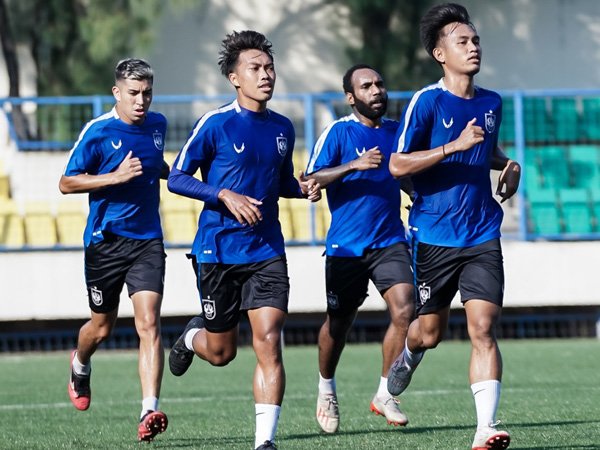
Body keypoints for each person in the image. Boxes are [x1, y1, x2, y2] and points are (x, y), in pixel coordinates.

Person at [166, 30, 320, 450]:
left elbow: (280, 181)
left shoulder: (283, 128)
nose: (266, 74)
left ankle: (264, 441)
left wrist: (301, 187)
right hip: (217, 250)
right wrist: (223, 194)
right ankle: (188, 337)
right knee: (221, 353)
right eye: (255, 68)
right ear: (235, 77)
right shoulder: (215, 124)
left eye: (269, 67)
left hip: (267, 249)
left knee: (269, 339)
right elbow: (176, 178)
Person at [386, 4, 520, 450]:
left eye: (475, 39)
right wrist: (451, 146)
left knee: (483, 327)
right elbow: (398, 163)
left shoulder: (492, 102)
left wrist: (508, 164)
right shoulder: (427, 102)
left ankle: (485, 428)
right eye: (462, 41)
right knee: (430, 333)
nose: (473, 46)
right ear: (440, 53)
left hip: (482, 233)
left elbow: (486, 150)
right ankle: (408, 354)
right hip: (434, 236)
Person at [59, 58, 170, 442]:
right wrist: (115, 177)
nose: (142, 101)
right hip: (105, 243)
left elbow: (158, 164)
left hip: (147, 241)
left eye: (148, 93)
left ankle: (149, 409)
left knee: (149, 323)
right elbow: (66, 182)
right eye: (134, 94)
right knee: (101, 328)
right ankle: (80, 361)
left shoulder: (158, 125)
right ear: (117, 93)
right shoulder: (98, 131)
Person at [304, 64, 414, 433]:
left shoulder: (398, 133)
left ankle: (385, 393)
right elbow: (310, 179)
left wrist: (418, 196)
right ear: (351, 97)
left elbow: (407, 174)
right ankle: (326, 387)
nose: (376, 90)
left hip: (390, 241)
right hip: (346, 247)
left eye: (380, 83)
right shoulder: (338, 132)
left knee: (405, 308)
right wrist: (354, 164)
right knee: (339, 324)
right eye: (366, 86)